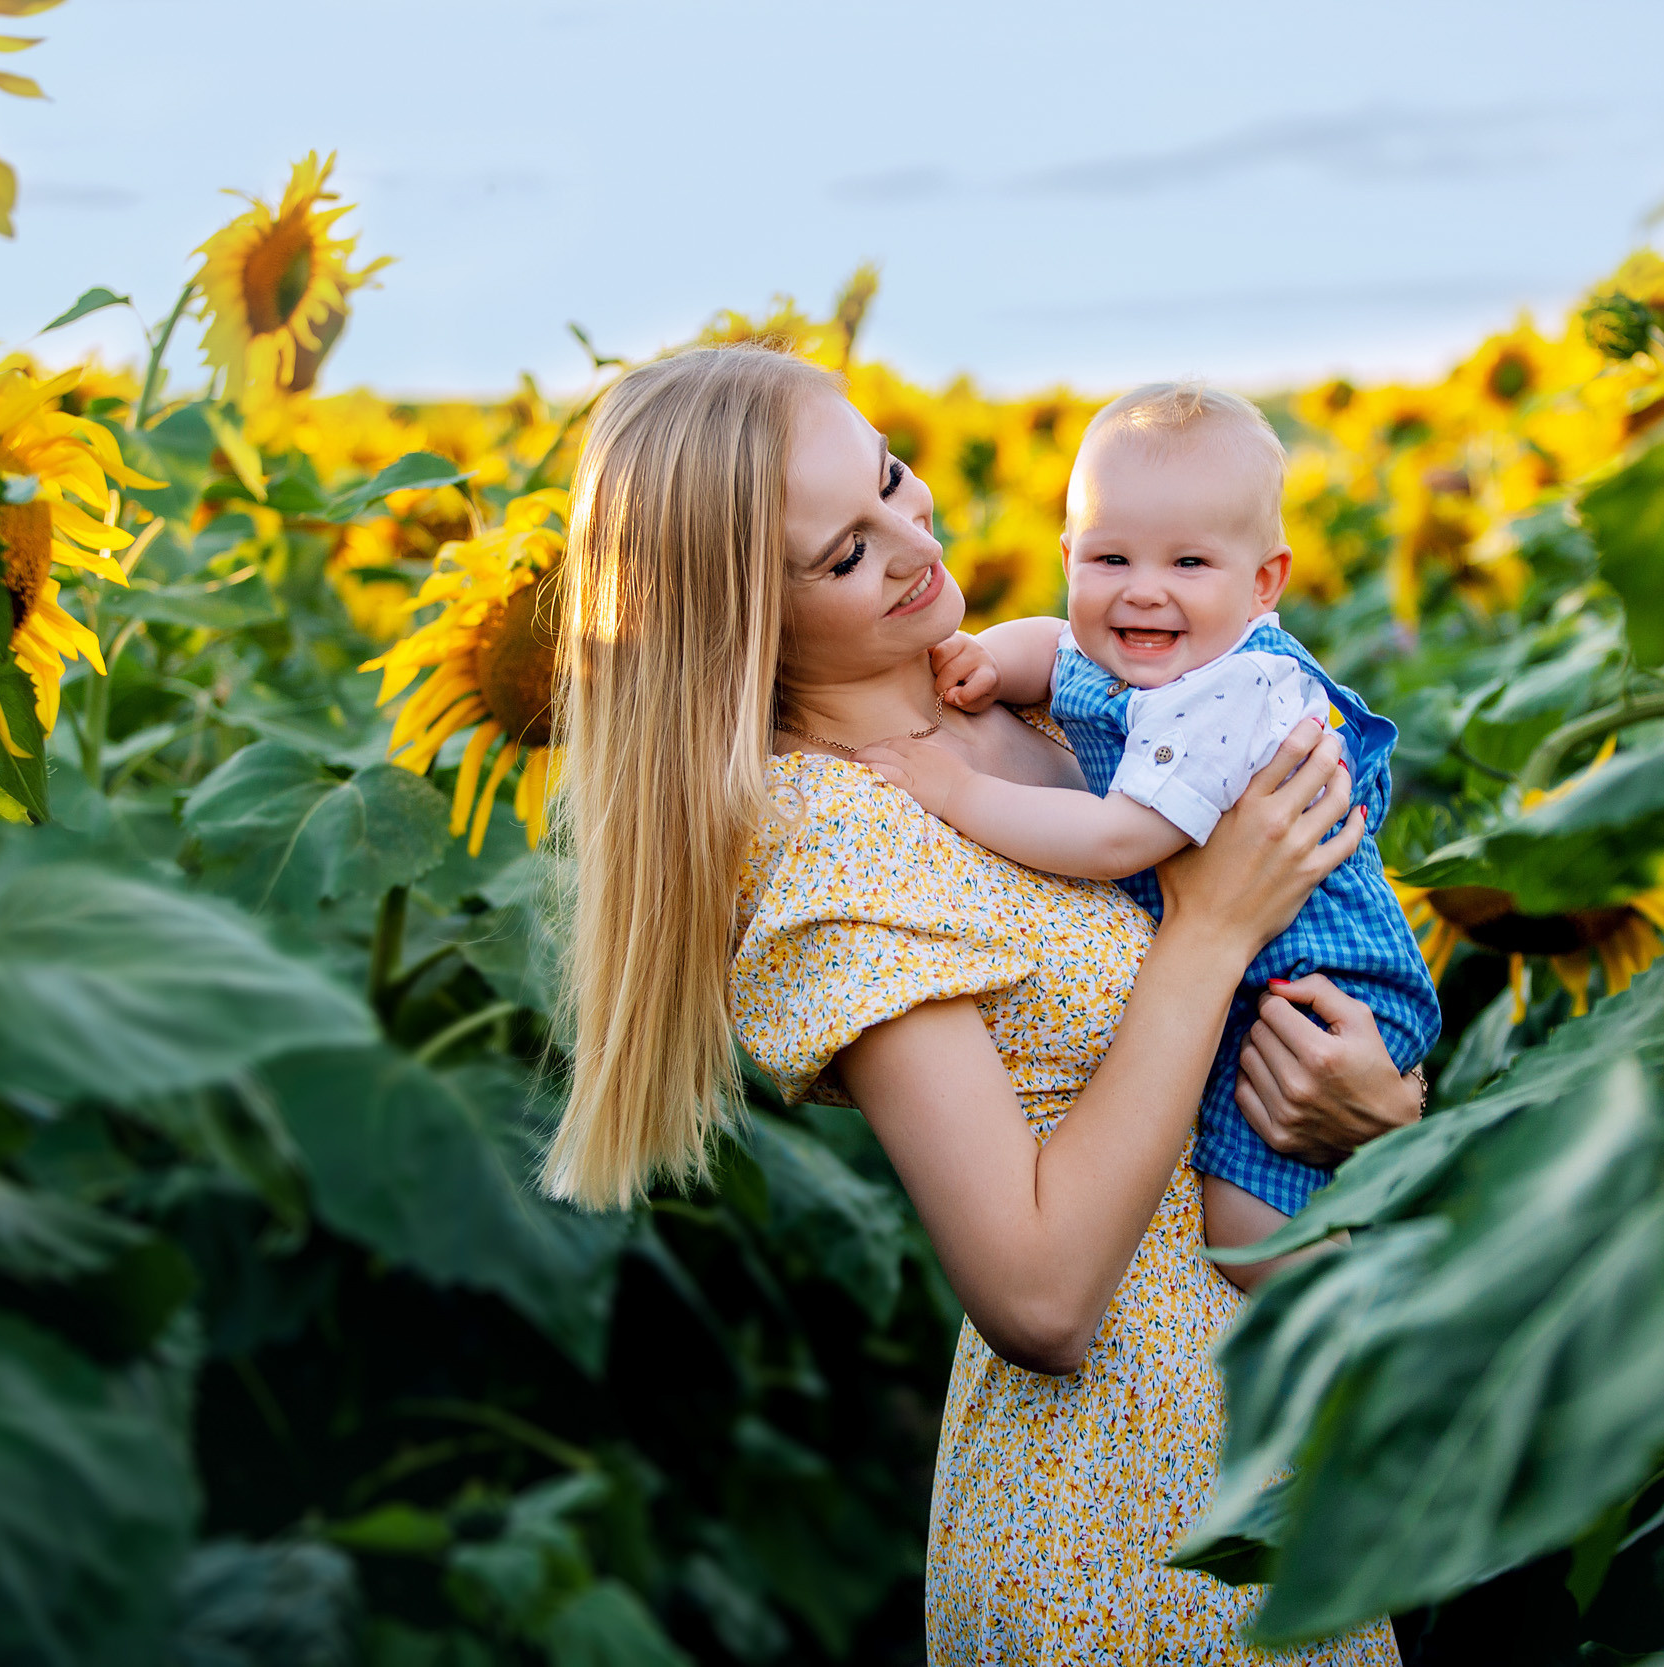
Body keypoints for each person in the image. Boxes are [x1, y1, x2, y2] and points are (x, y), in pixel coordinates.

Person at [541, 343, 1415, 1662]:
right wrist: (1212, 922)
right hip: (1125, 1522)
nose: (912, 539)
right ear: (743, 621)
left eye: (893, 479)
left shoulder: (1055, 702)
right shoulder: (831, 836)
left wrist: (1375, 1113)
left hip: (1285, 1460)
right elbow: (1039, 1293)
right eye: (844, 553)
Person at [857, 384, 1440, 1287]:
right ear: (1068, 556)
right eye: (1110, 556)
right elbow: (1056, 650)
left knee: (1243, 1222)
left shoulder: (1233, 693)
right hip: (1251, 970)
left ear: (1264, 583)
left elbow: (1116, 841)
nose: (1143, 591)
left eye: (1189, 564)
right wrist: (990, 657)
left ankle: (1363, 1320)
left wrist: (958, 789)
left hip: (1313, 991)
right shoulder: (1141, 653)